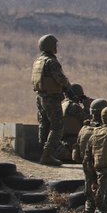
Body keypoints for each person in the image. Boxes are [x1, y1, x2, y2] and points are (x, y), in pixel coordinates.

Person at [31, 34, 80, 166]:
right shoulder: (51, 62)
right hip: (51, 98)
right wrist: (69, 90)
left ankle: (43, 152)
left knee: (44, 124)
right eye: (55, 45)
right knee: (57, 127)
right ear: (51, 47)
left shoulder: (38, 61)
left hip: (40, 97)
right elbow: (61, 79)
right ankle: (47, 154)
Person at [74, 98, 107, 213]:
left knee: (89, 199)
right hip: (100, 170)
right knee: (101, 201)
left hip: (87, 168)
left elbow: (76, 154)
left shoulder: (84, 129)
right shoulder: (102, 131)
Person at [59, 83, 93, 161]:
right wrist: (87, 108)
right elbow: (89, 121)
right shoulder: (74, 107)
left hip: (63, 140)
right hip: (73, 141)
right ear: (77, 95)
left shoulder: (63, 105)